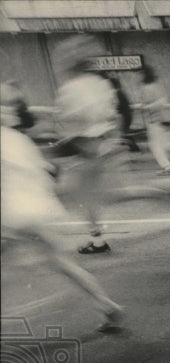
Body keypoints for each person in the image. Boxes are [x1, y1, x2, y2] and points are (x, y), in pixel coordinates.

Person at [2, 100, 123, 333]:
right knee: (61, 263)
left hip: (13, 212)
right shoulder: (20, 140)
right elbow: (48, 170)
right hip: (37, 207)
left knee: (10, 265)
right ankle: (106, 304)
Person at [53, 39, 120, 254]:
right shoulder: (100, 83)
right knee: (105, 196)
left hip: (84, 148)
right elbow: (112, 113)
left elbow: (71, 118)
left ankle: (98, 241)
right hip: (104, 143)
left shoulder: (70, 89)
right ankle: (161, 195)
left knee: (83, 199)